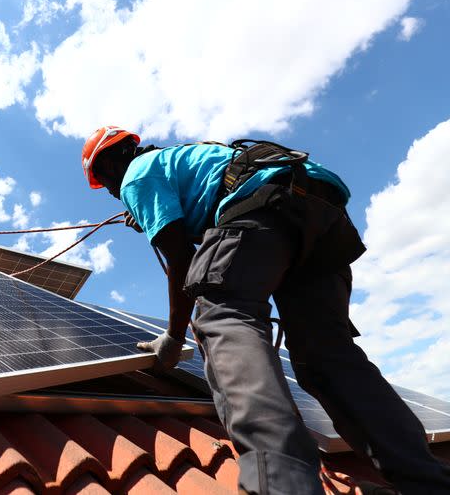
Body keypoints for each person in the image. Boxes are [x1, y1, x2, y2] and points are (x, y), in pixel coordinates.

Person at [82, 126, 450, 495]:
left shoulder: (136, 176)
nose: (113, 194)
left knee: (223, 315)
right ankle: (426, 481)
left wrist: (174, 337)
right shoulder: (175, 159)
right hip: (320, 209)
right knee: (325, 356)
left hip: (262, 202)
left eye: (105, 183)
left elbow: (181, 259)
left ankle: (280, 483)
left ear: (111, 165)